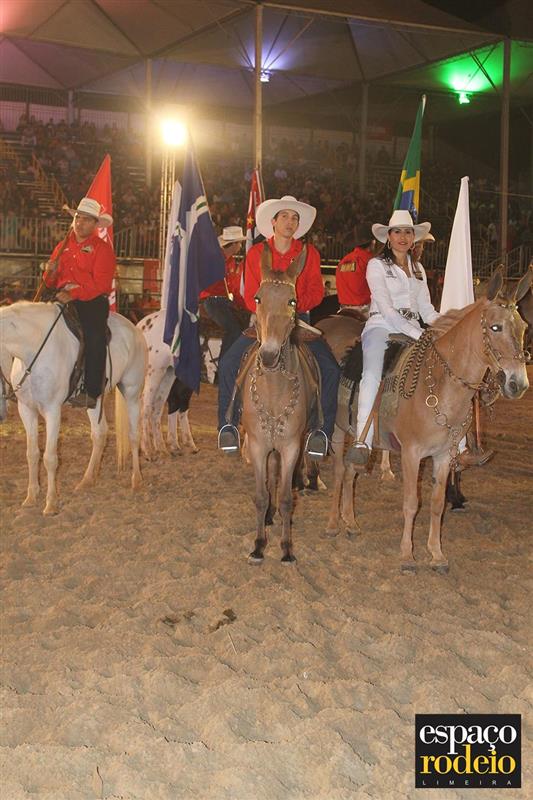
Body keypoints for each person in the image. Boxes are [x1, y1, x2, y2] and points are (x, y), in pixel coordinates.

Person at [217, 195, 340, 459]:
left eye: (294, 218)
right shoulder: (256, 254)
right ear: (273, 222)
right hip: (262, 320)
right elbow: (250, 293)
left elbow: (316, 291)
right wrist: (270, 308)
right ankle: (228, 425)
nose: (290, 222)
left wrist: (290, 305)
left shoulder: (309, 254)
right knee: (227, 363)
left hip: (297, 320)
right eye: (284, 216)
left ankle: (321, 432)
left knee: (331, 369)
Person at [345, 210, 439, 465]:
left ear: (413, 237)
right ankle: (362, 440)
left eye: (408, 232)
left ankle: (450, 440)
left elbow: (427, 311)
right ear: (388, 236)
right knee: (372, 374)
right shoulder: (376, 265)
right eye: (397, 231)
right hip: (381, 326)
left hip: (414, 327)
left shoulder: (418, 269)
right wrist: (419, 334)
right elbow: (386, 309)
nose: (403, 236)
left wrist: (449, 324)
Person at [43, 196, 115, 409]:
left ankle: (91, 390)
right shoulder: (62, 246)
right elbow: (50, 281)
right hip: (60, 296)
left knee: (95, 336)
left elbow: (102, 285)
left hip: (91, 301)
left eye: (85, 219)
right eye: (77, 218)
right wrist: (49, 273)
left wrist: (74, 294)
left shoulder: (102, 249)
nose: (80, 222)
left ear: (95, 224)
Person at [199, 226, 248, 360]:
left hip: (222, 300)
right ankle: (224, 363)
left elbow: (231, 287)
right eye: (240, 243)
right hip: (212, 300)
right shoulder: (215, 258)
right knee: (233, 329)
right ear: (234, 244)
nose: (241, 246)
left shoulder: (229, 261)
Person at [335, 223, 377, 314]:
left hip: (343, 309)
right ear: (373, 242)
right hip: (364, 310)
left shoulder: (343, 261)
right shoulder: (371, 261)